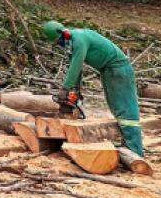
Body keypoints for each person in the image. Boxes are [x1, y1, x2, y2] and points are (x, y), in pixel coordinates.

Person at [41, 20, 144, 156]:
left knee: (125, 111)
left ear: (63, 34)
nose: (59, 45)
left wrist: (65, 89)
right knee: (117, 109)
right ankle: (127, 144)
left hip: (118, 69)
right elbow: (76, 69)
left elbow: (76, 65)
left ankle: (135, 150)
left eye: (59, 41)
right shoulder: (73, 42)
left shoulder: (79, 40)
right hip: (108, 70)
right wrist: (75, 91)